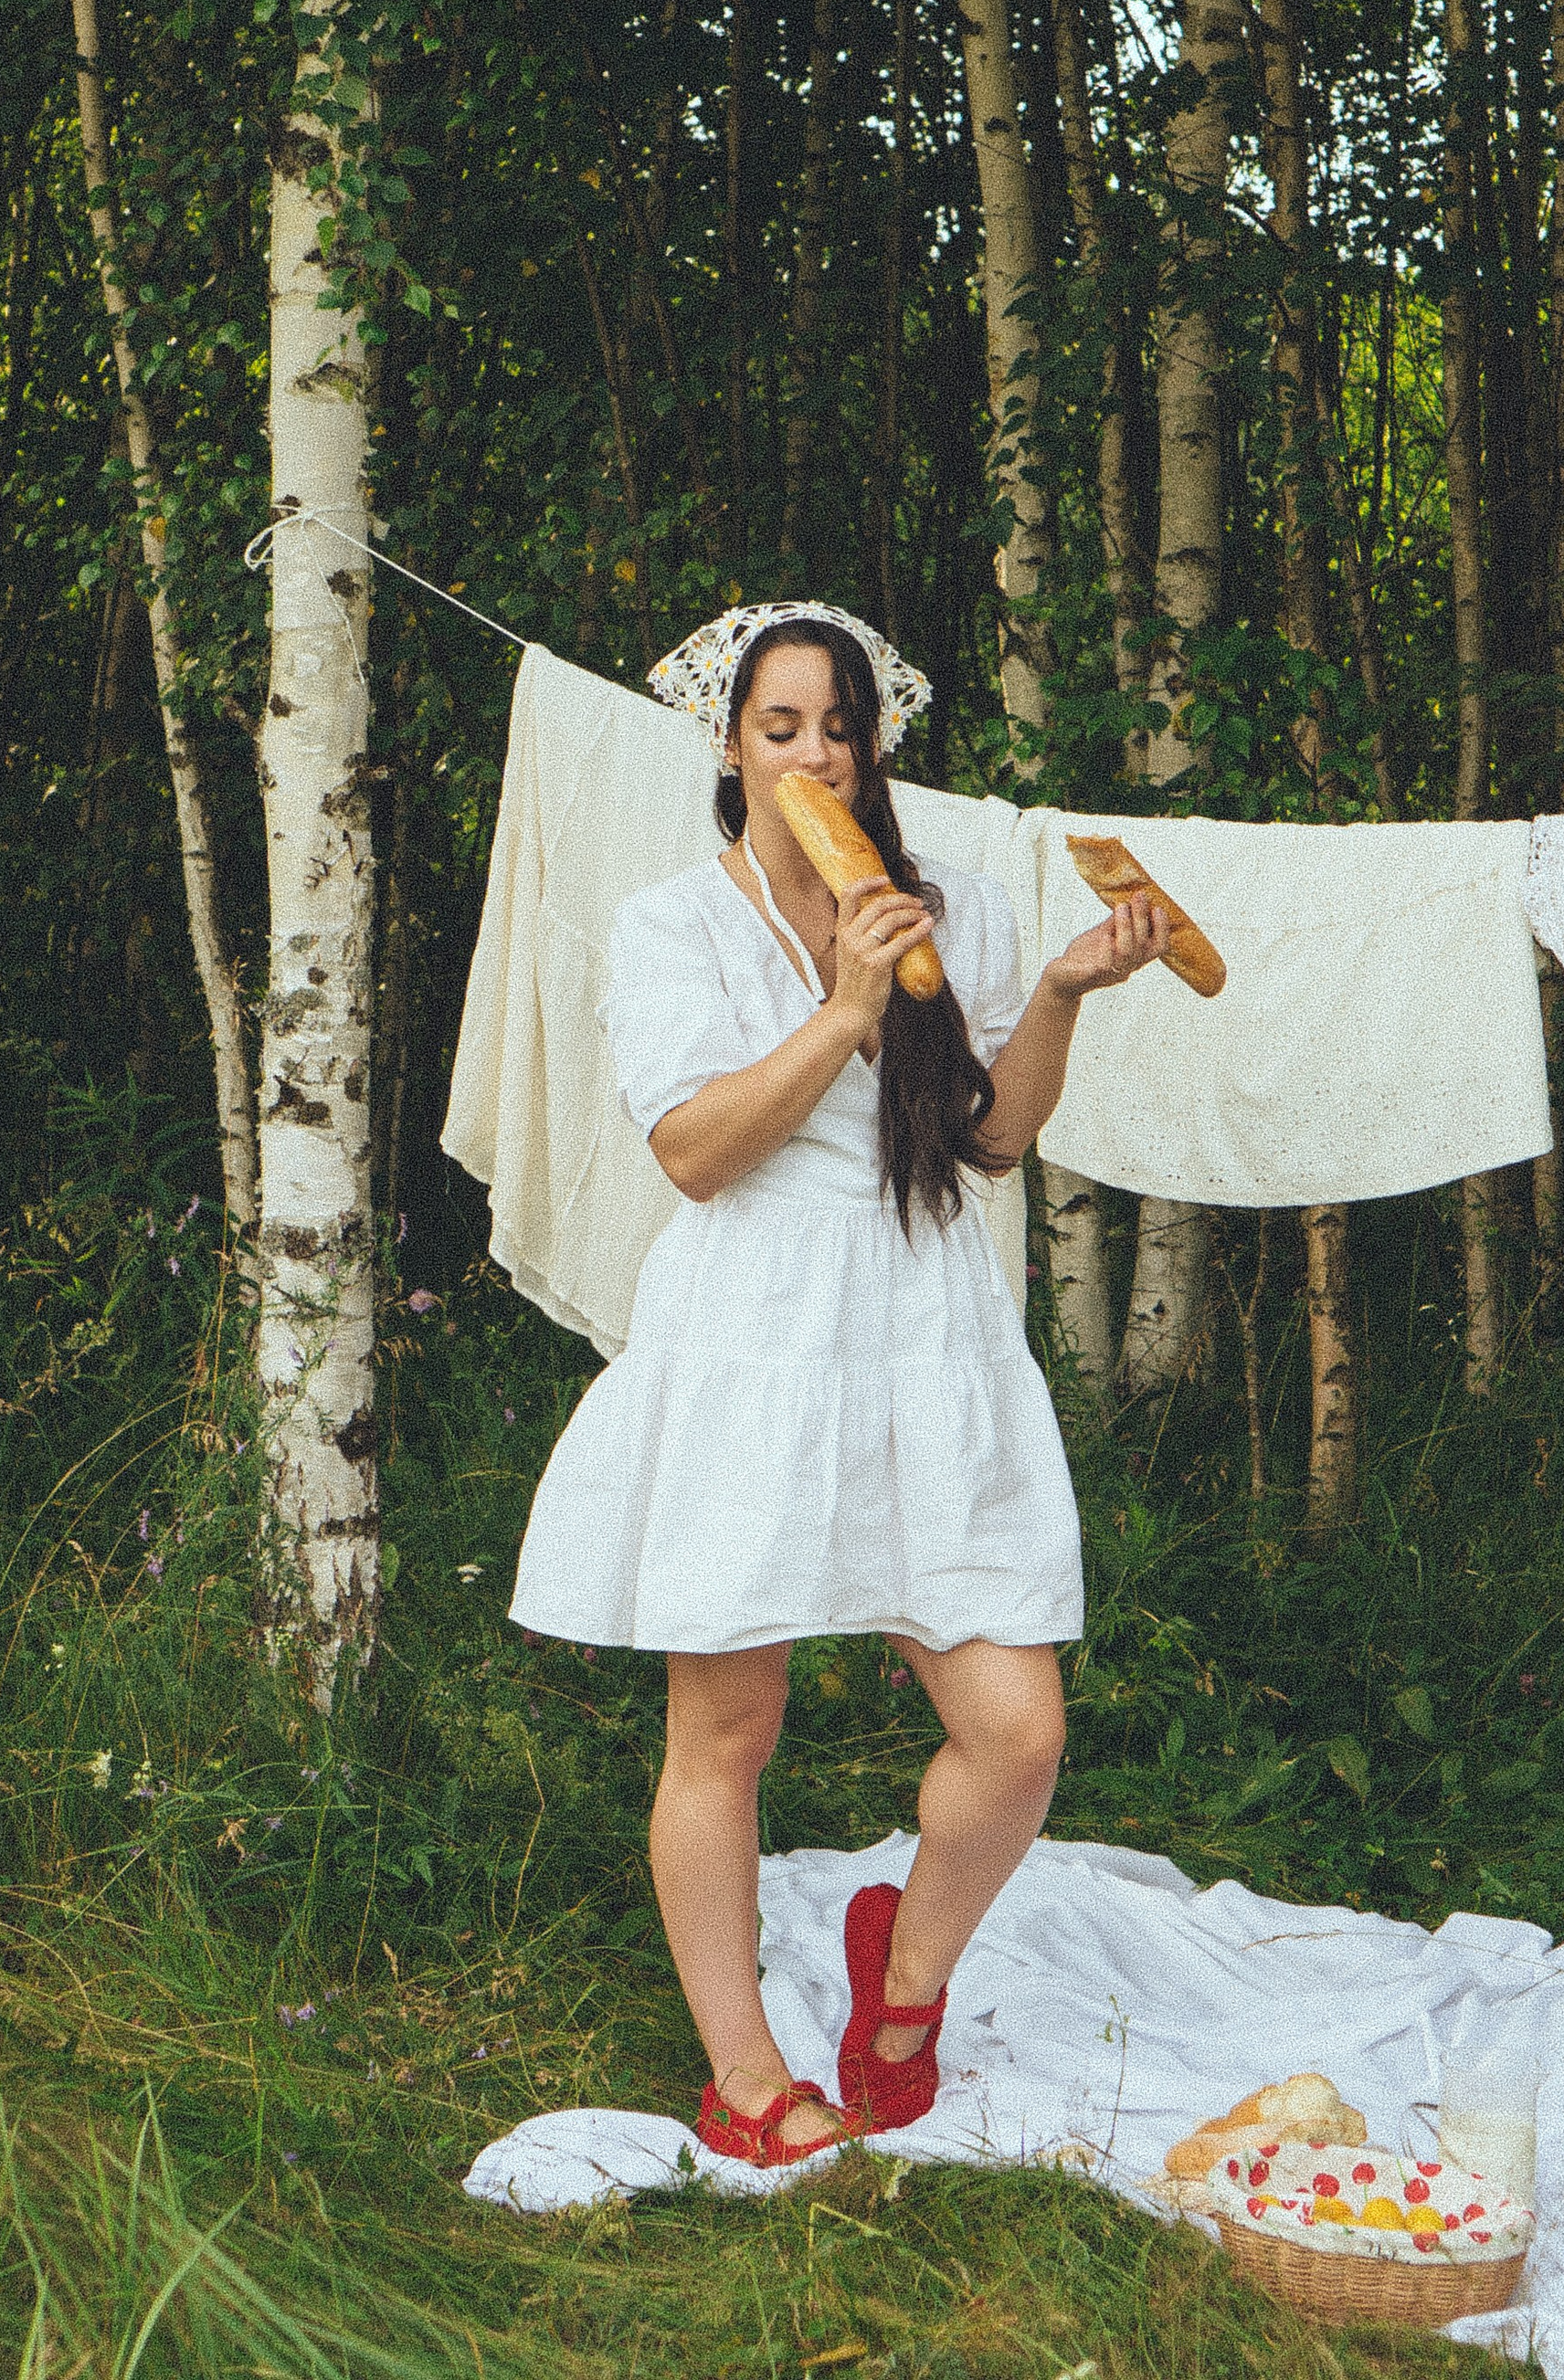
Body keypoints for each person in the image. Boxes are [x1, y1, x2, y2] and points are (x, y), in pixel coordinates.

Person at [508, 600, 1169, 2164]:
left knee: (1018, 1731)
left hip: (929, 1331)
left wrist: (1062, 992)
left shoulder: (945, 908)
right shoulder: (677, 922)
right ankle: (744, 2079)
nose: (817, 750)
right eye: (781, 723)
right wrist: (846, 1012)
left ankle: (906, 1980)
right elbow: (694, 1152)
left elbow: (995, 1140)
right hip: (758, 1339)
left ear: (873, 746)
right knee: (727, 1731)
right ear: (730, 744)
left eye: (841, 725)